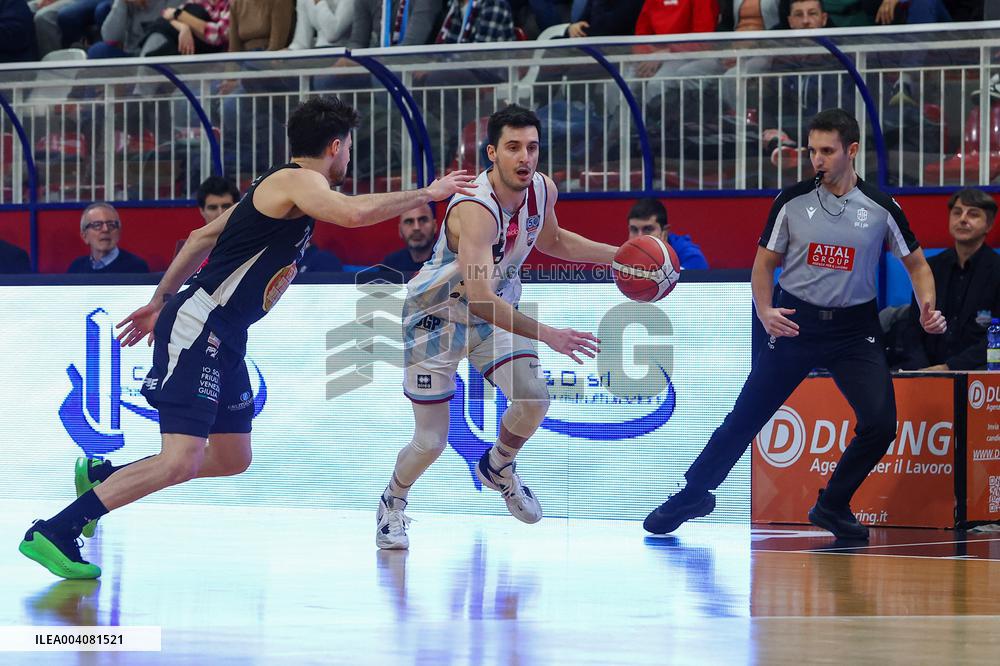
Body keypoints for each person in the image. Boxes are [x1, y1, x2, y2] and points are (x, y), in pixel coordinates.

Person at [19, 95, 476, 579]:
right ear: (336, 146)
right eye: (347, 150)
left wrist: (158, 301)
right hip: (202, 324)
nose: (347, 159)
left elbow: (199, 238)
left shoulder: (279, 186)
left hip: (226, 333)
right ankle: (56, 530)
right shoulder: (297, 180)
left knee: (234, 457)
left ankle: (104, 478)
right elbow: (354, 215)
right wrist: (429, 192)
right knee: (181, 459)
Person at [643, 108, 946, 541]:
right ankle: (694, 493)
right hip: (794, 323)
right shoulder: (791, 202)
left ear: (852, 151)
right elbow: (763, 267)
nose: (817, 160)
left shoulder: (881, 208)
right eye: (812, 151)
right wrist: (765, 311)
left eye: (827, 151)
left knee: (880, 423)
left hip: (854, 330)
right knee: (744, 417)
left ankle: (833, 505)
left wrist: (926, 307)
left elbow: (917, 266)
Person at [376, 105, 619, 550]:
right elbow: (481, 297)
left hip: (493, 313)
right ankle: (392, 502)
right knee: (430, 442)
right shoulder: (476, 210)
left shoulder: (543, 189)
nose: (525, 158)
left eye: (532, 148)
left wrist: (619, 256)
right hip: (437, 318)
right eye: (513, 148)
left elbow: (555, 240)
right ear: (492, 153)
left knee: (534, 397)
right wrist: (549, 334)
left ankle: (498, 465)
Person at [896, 188, 1000, 371]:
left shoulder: (996, 270)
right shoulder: (929, 269)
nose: (963, 219)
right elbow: (913, 329)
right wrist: (922, 371)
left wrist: (949, 368)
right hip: (927, 371)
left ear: (989, 225)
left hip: (978, 373)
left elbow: (996, 340)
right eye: (957, 212)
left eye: (973, 214)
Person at [627, 198, 709, 270]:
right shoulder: (625, 254)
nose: (639, 237)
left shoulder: (688, 253)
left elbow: (699, 268)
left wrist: (658, 257)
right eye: (634, 230)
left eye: (648, 229)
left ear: (665, 231)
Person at [67, 203, 149, 273]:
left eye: (111, 225)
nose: (105, 230)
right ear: (84, 236)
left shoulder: (136, 267)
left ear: (119, 232)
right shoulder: (76, 268)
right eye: (97, 225)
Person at [381, 203, 436, 273]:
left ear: (435, 226)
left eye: (423, 220)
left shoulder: (448, 262)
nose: (416, 228)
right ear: (400, 230)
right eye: (409, 222)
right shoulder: (389, 266)